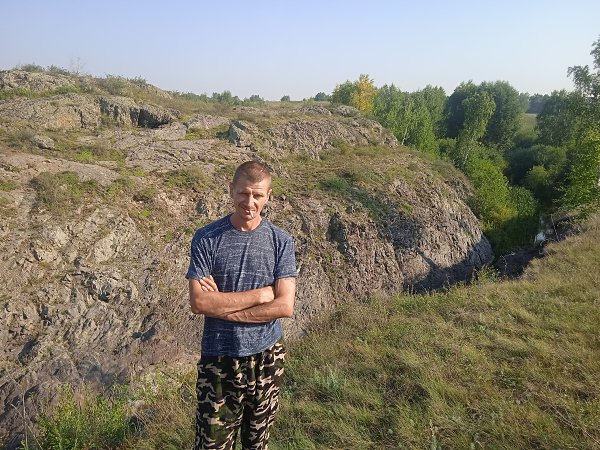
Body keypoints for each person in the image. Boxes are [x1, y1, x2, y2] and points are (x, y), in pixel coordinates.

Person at [187, 160, 297, 450]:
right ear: (231, 190)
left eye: (257, 195)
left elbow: (284, 306)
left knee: (257, 444)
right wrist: (260, 295)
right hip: (219, 361)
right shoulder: (206, 238)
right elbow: (199, 302)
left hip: (267, 359)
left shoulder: (281, 241)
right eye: (243, 193)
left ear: (268, 196)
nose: (249, 202)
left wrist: (223, 308)